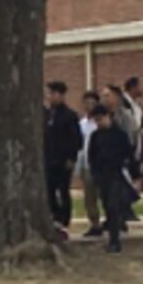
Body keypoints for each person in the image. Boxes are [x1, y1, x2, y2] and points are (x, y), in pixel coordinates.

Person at [88, 105, 134, 253]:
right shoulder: (95, 136)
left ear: (108, 116)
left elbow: (129, 155)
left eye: (100, 119)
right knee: (107, 206)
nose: (98, 123)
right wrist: (95, 173)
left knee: (114, 207)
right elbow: (92, 156)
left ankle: (115, 240)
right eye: (96, 120)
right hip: (102, 176)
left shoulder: (120, 135)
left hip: (115, 174)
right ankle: (112, 236)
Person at [44, 81, 83, 233]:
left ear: (60, 95)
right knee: (49, 189)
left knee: (63, 189)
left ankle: (64, 218)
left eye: (52, 94)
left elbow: (76, 139)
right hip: (49, 158)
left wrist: (70, 158)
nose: (49, 97)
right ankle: (53, 215)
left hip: (63, 160)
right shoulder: (47, 115)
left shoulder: (70, 116)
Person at [78, 91, 103, 237]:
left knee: (104, 195)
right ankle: (95, 223)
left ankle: (114, 221)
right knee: (89, 197)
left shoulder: (99, 123)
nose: (89, 106)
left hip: (99, 165)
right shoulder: (81, 124)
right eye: (87, 103)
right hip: (86, 164)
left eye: (92, 103)